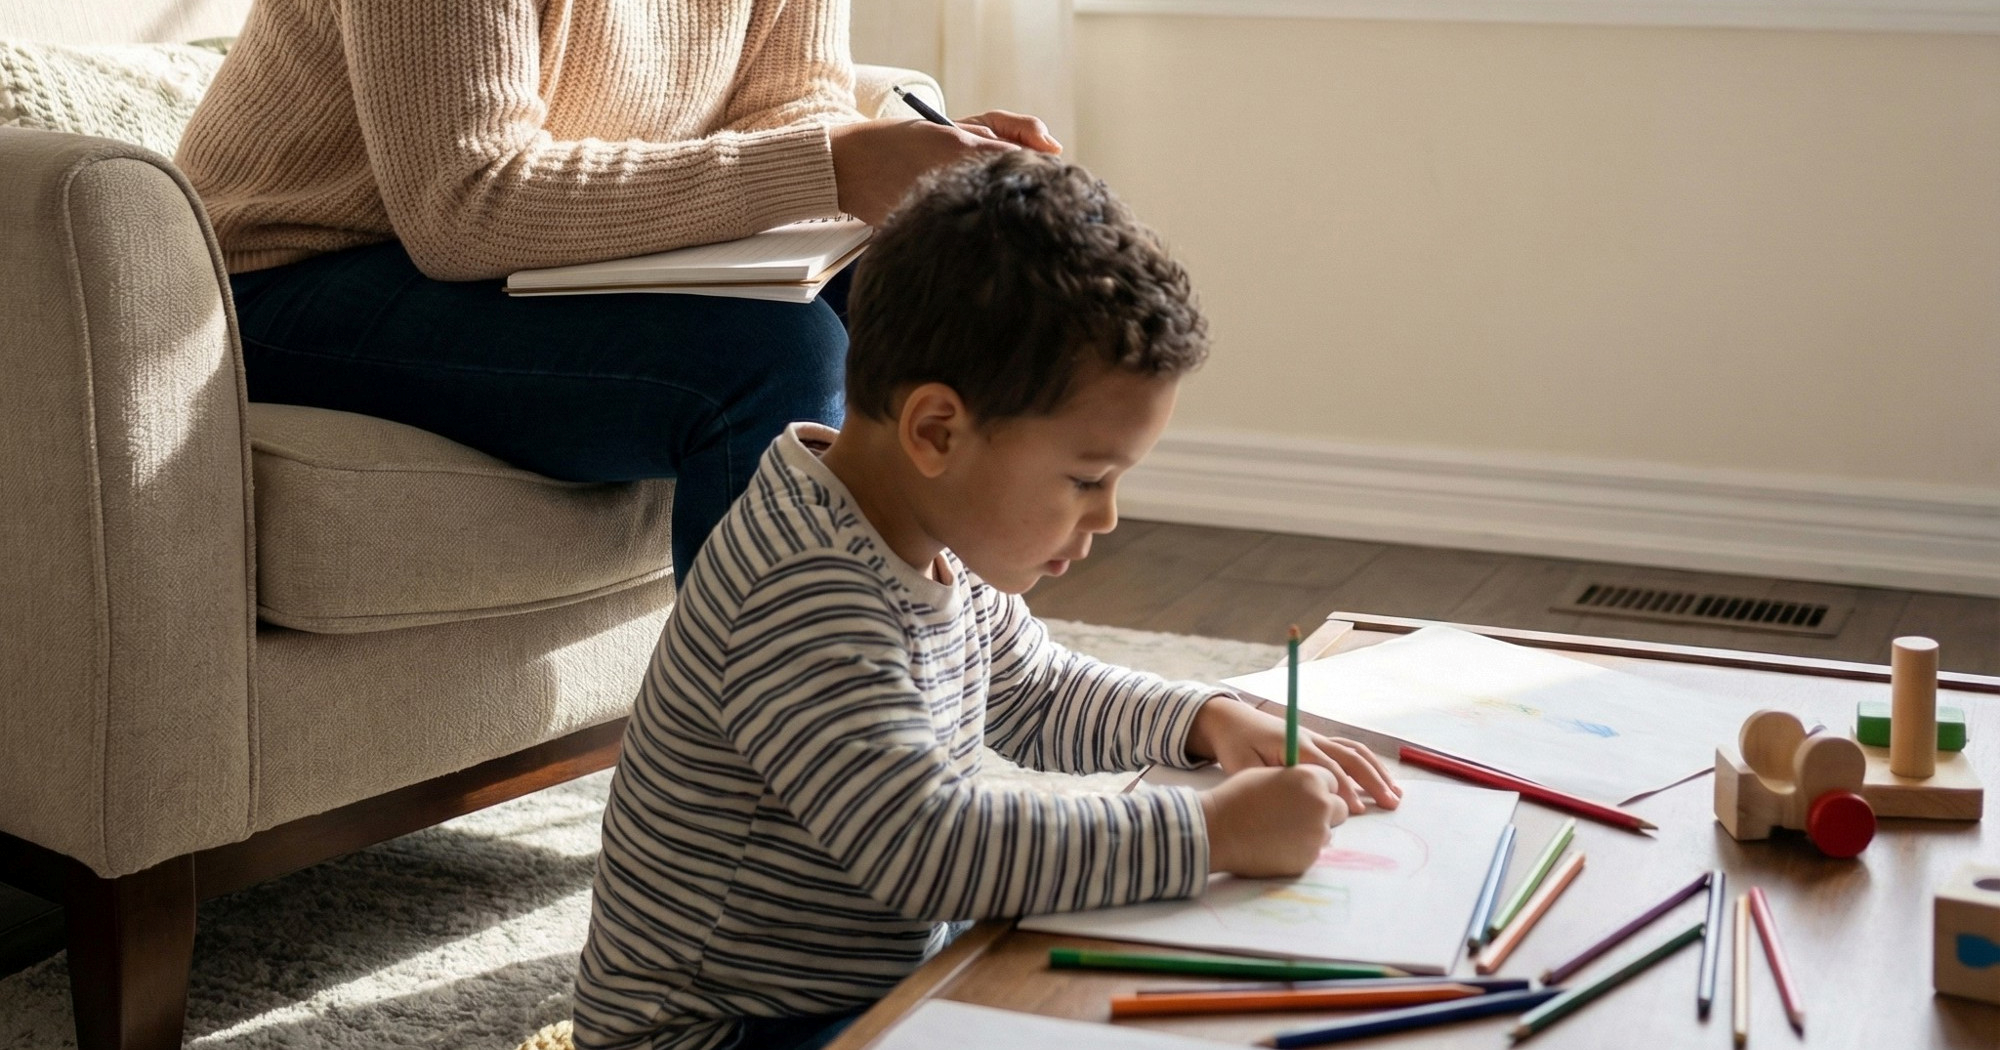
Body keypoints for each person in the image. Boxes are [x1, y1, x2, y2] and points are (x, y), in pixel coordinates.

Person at [572, 151, 1403, 1050]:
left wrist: (1201, 716)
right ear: (938, 431)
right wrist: (1206, 831)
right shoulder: (804, 592)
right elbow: (926, 847)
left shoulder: (921, 532)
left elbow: (1036, 690)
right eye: (1087, 478)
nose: (1109, 516)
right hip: (719, 1032)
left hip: (853, 985)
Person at [175, 0, 1060, 577]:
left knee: (913, 283)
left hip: (535, 255)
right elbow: (464, 207)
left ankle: (943, 690)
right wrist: (827, 165)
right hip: (290, 278)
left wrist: (896, 163)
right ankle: (760, 803)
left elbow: (786, 107)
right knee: (769, 359)